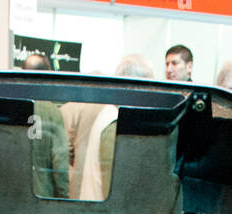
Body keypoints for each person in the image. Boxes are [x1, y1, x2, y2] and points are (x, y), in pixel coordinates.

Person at [79, 55, 154, 202]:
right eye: (148, 87)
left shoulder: (109, 114)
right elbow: (114, 193)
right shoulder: (115, 123)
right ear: (133, 86)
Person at [22, 51, 69, 199]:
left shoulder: (9, 107)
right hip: (42, 199)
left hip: (11, 199)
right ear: (47, 77)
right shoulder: (53, 112)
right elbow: (60, 163)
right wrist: (64, 198)